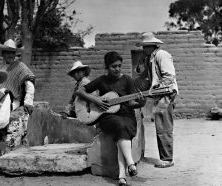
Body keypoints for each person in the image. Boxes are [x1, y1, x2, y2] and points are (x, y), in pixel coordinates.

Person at [76, 51, 145, 186]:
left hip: (127, 115)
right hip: (108, 116)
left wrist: (141, 103)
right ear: (107, 66)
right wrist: (96, 100)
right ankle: (130, 163)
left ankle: (122, 177)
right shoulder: (101, 80)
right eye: (114, 66)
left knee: (122, 128)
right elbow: (80, 91)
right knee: (119, 125)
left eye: (119, 66)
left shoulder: (127, 80)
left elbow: (131, 103)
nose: (117, 69)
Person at [135, 32, 178, 168]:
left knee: (163, 126)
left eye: (145, 46)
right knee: (160, 125)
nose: (143, 49)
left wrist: (157, 89)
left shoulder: (161, 55)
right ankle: (166, 157)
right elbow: (143, 75)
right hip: (158, 94)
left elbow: (169, 76)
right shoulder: (150, 58)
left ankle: (167, 159)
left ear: (152, 45)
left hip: (165, 93)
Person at [0, 39, 35, 148]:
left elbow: (29, 84)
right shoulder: (0, 68)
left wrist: (28, 102)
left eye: (12, 52)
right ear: (3, 53)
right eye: (8, 52)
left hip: (13, 102)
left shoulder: (21, 66)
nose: (11, 55)